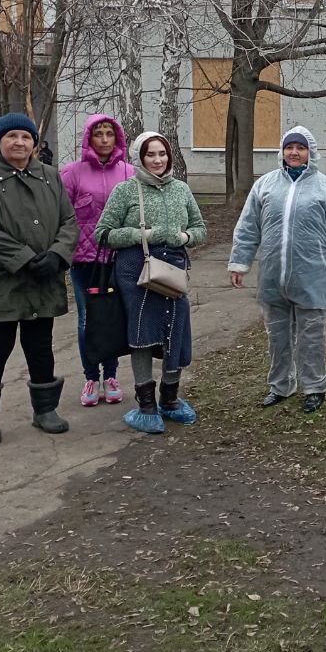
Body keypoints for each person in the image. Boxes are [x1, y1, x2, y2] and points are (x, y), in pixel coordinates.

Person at [0, 112, 79, 445]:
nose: (19, 142)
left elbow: (69, 222)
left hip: (44, 278)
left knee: (40, 346)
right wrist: (25, 259)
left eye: (26, 137)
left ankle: (45, 411)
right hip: (0, 279)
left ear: (34, 144)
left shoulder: (49, 176)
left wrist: (57, 255)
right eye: (11, 136)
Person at [228, 127, 326, 413]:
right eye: (289, 147)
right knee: (277, 335)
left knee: (311, 335)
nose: (294, 152)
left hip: (313, 276)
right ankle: (281, 385)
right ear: (282, 152)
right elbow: (249, 227)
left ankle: (314, 387)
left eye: (300, 147)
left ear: (311, 152)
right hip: (273, 276)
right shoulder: (266, 185)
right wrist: (239, 262)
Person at [95, 131, 206, 434]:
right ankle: (146, 406)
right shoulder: (126, 190)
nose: (157, 160)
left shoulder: (181, 189)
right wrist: (142, 235)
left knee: (177, 331)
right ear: (139, 158)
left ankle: (169, 400)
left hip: (173, 270)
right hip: (136, 271)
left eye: (162, 154)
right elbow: (102, 233)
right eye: (150, 155)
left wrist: (185, 237)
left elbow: (200, 228)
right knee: (143, 333)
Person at [60, 114, 135, 407]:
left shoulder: (129, 172)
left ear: (117, 138)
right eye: (98, 134)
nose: (104, 140)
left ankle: (112, 376)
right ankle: (91, 376)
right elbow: (63, 217)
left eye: (109, 134)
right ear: (88, 138)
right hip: (84, 261)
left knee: (112, 318)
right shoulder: (72, 173)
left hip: (118, 260)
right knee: (88, 320)